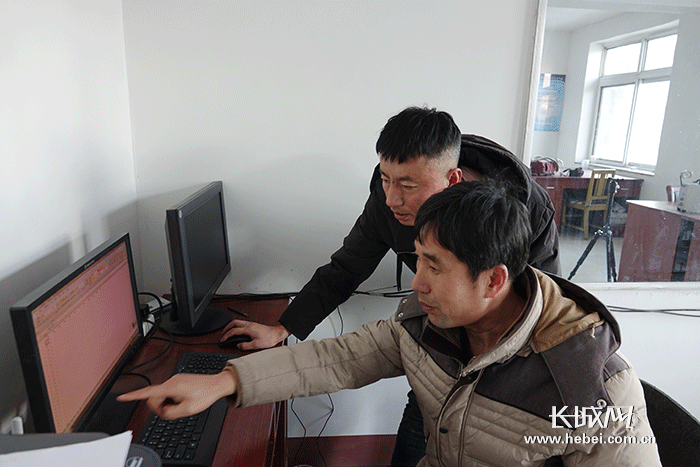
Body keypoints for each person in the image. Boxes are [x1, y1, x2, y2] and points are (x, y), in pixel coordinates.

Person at [119, 180, 661, 466]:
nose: (416, 284)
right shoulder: (427, 324)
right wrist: (223, 382)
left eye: (435, 268)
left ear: (494, 280)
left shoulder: (594, 389)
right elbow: (337, 358)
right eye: (417, 261)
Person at [221, 106, 561, 465]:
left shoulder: (528, 211)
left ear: (453, 179)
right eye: (386, 179)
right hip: (438, 350)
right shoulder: (390, 205)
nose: (391, 198)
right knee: (416, 432)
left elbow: (544, 304)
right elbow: (346, 268)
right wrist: (282, 328)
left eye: (408, 186)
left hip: (508, 367)